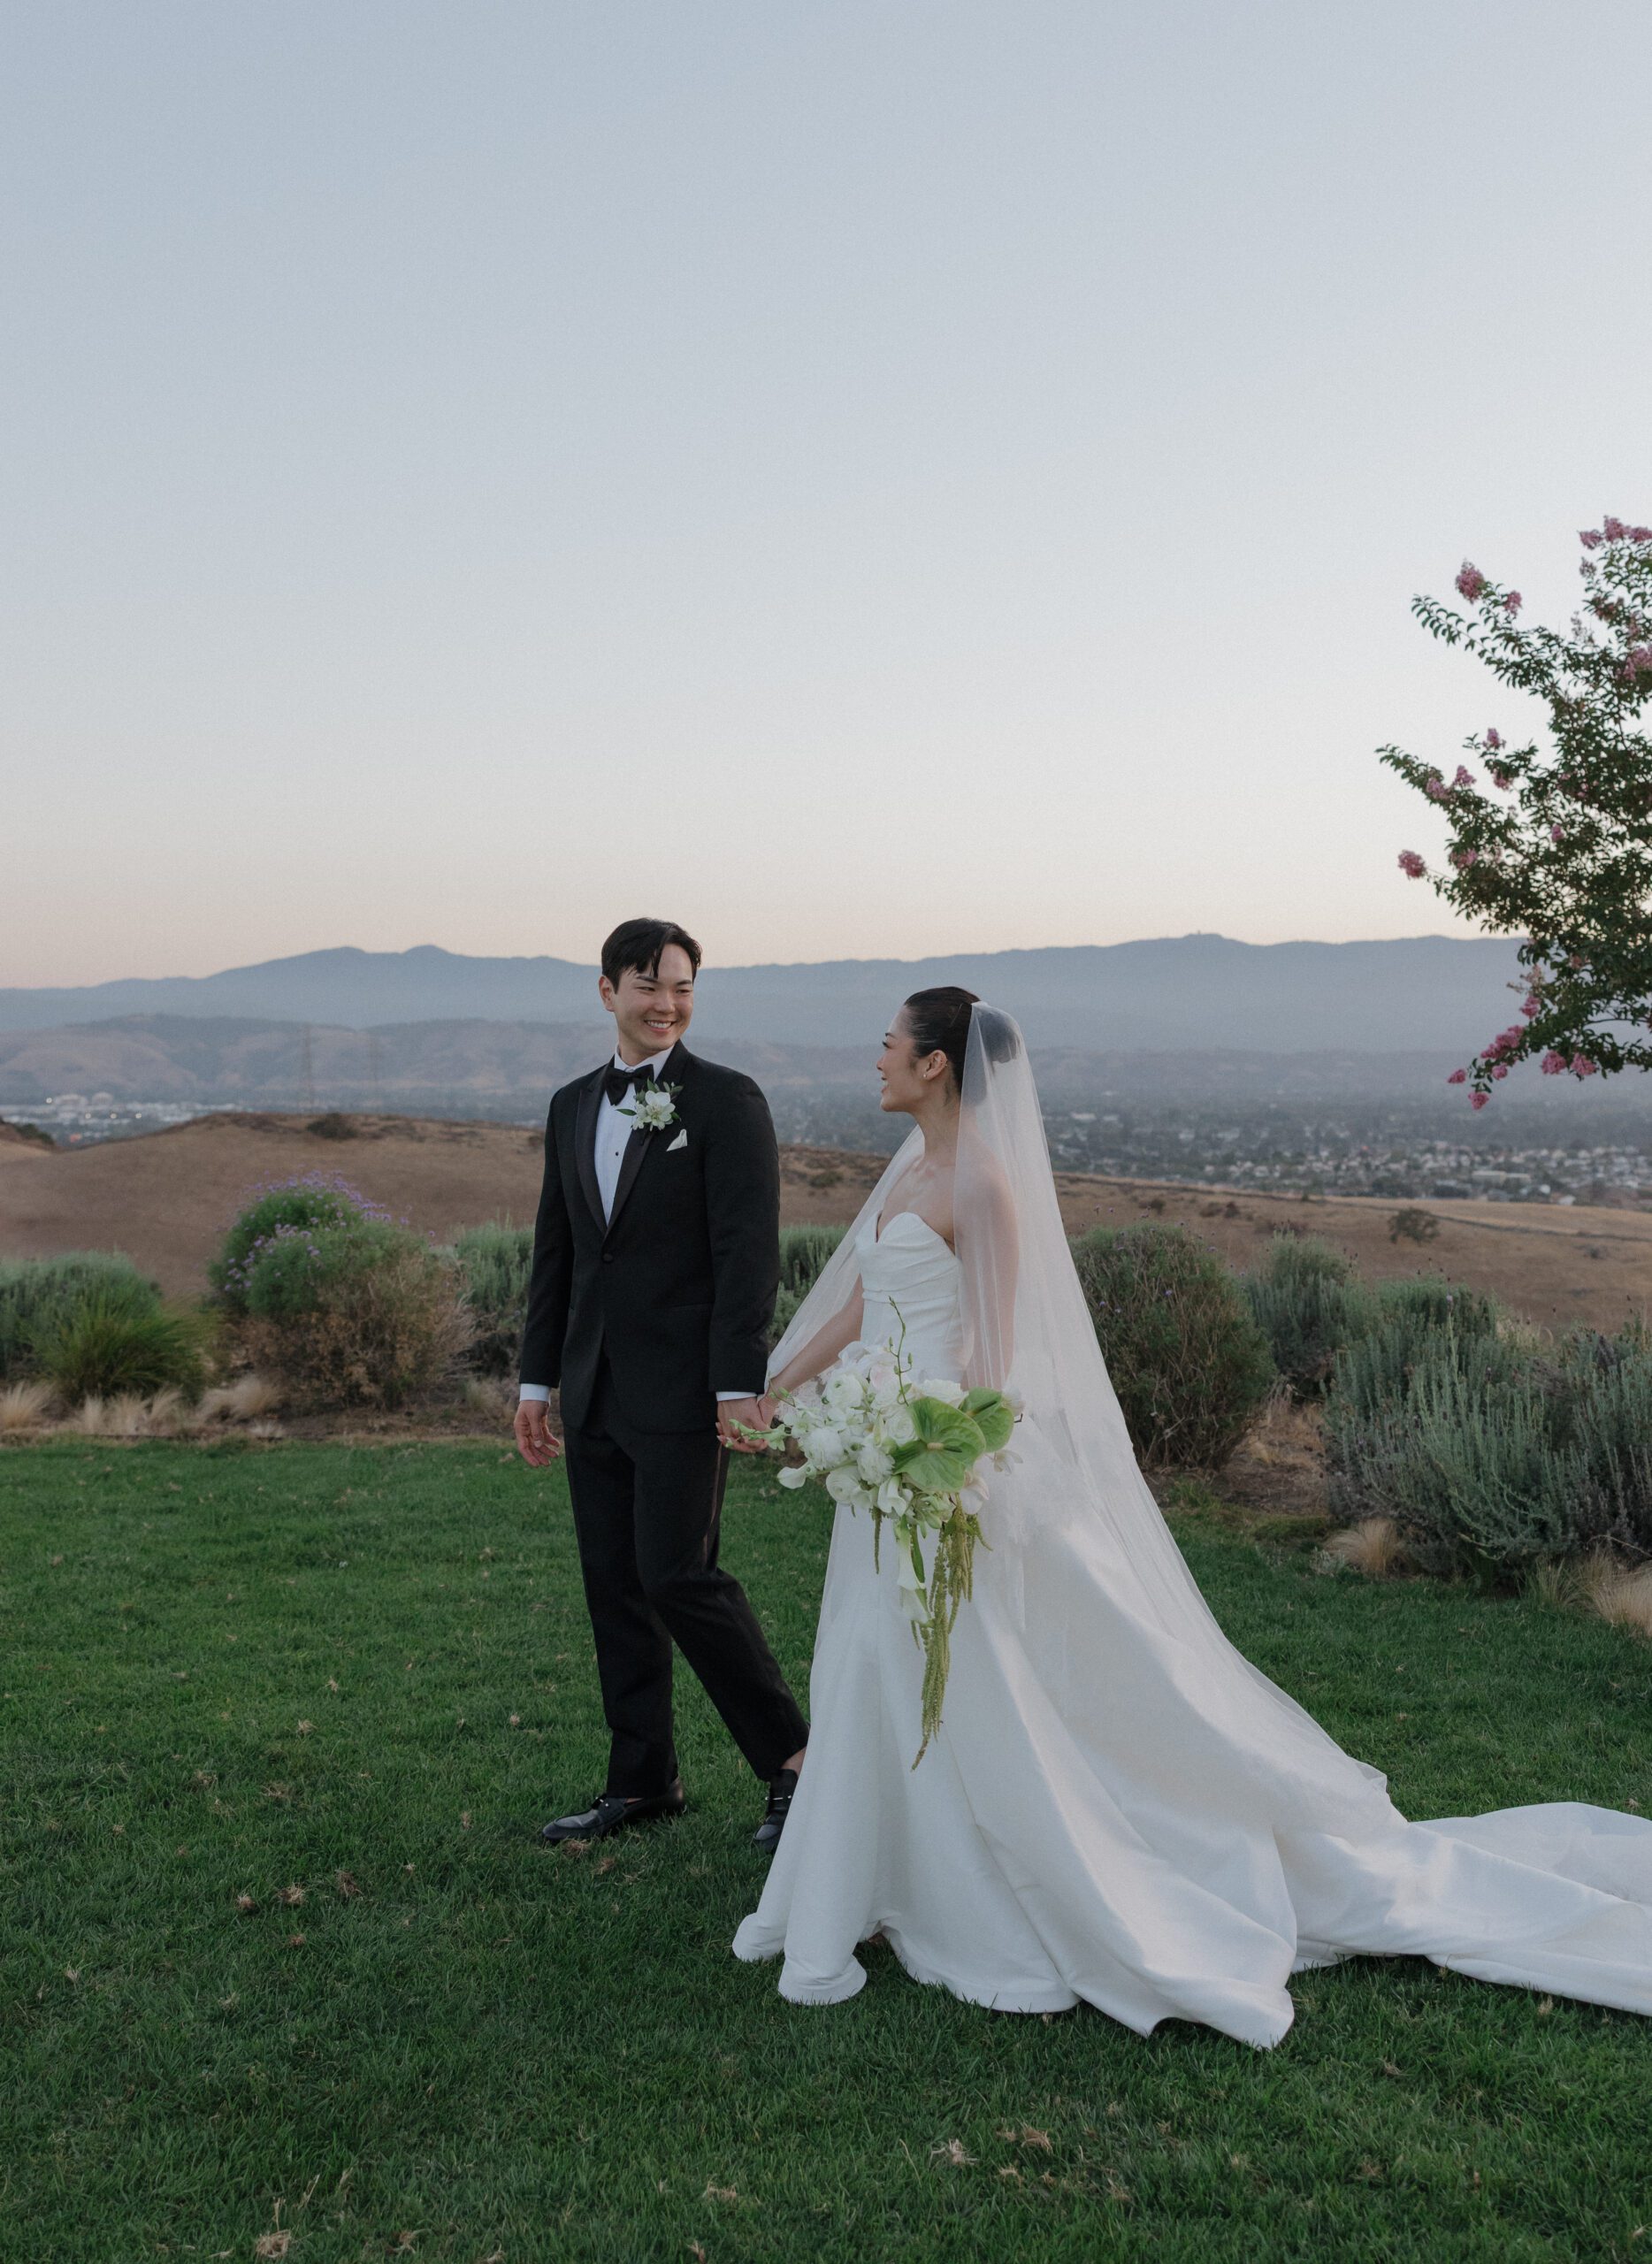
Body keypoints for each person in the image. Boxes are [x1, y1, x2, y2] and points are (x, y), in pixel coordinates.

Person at [733, 988, 1652, 2046]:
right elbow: (857, 1300)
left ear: (936, 1064)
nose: (878, 1058)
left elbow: (989, 1360)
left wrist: (927, 1445)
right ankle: (873, 1873)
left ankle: (982, 1884)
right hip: (879, 1454)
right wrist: (777, 1387)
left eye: (890, 1044)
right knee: (863, 1655)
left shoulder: (984, 1184)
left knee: (955, 1669)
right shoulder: (906, 1170)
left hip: (936, 1459)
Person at [516, 918, 807, 1850]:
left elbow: (745, 1251)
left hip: (685, 1390)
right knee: (614, 1584)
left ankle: (796, 1763)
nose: (666, 1003)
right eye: (647, 985)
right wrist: (534, 1380)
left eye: (680, 986)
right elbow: (556, 1254)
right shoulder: (568, 1105)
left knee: (679, 1575)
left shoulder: (726, 1100)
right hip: (592, 1387)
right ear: (606, 991)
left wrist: (735, 1383)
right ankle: (641, 1780)